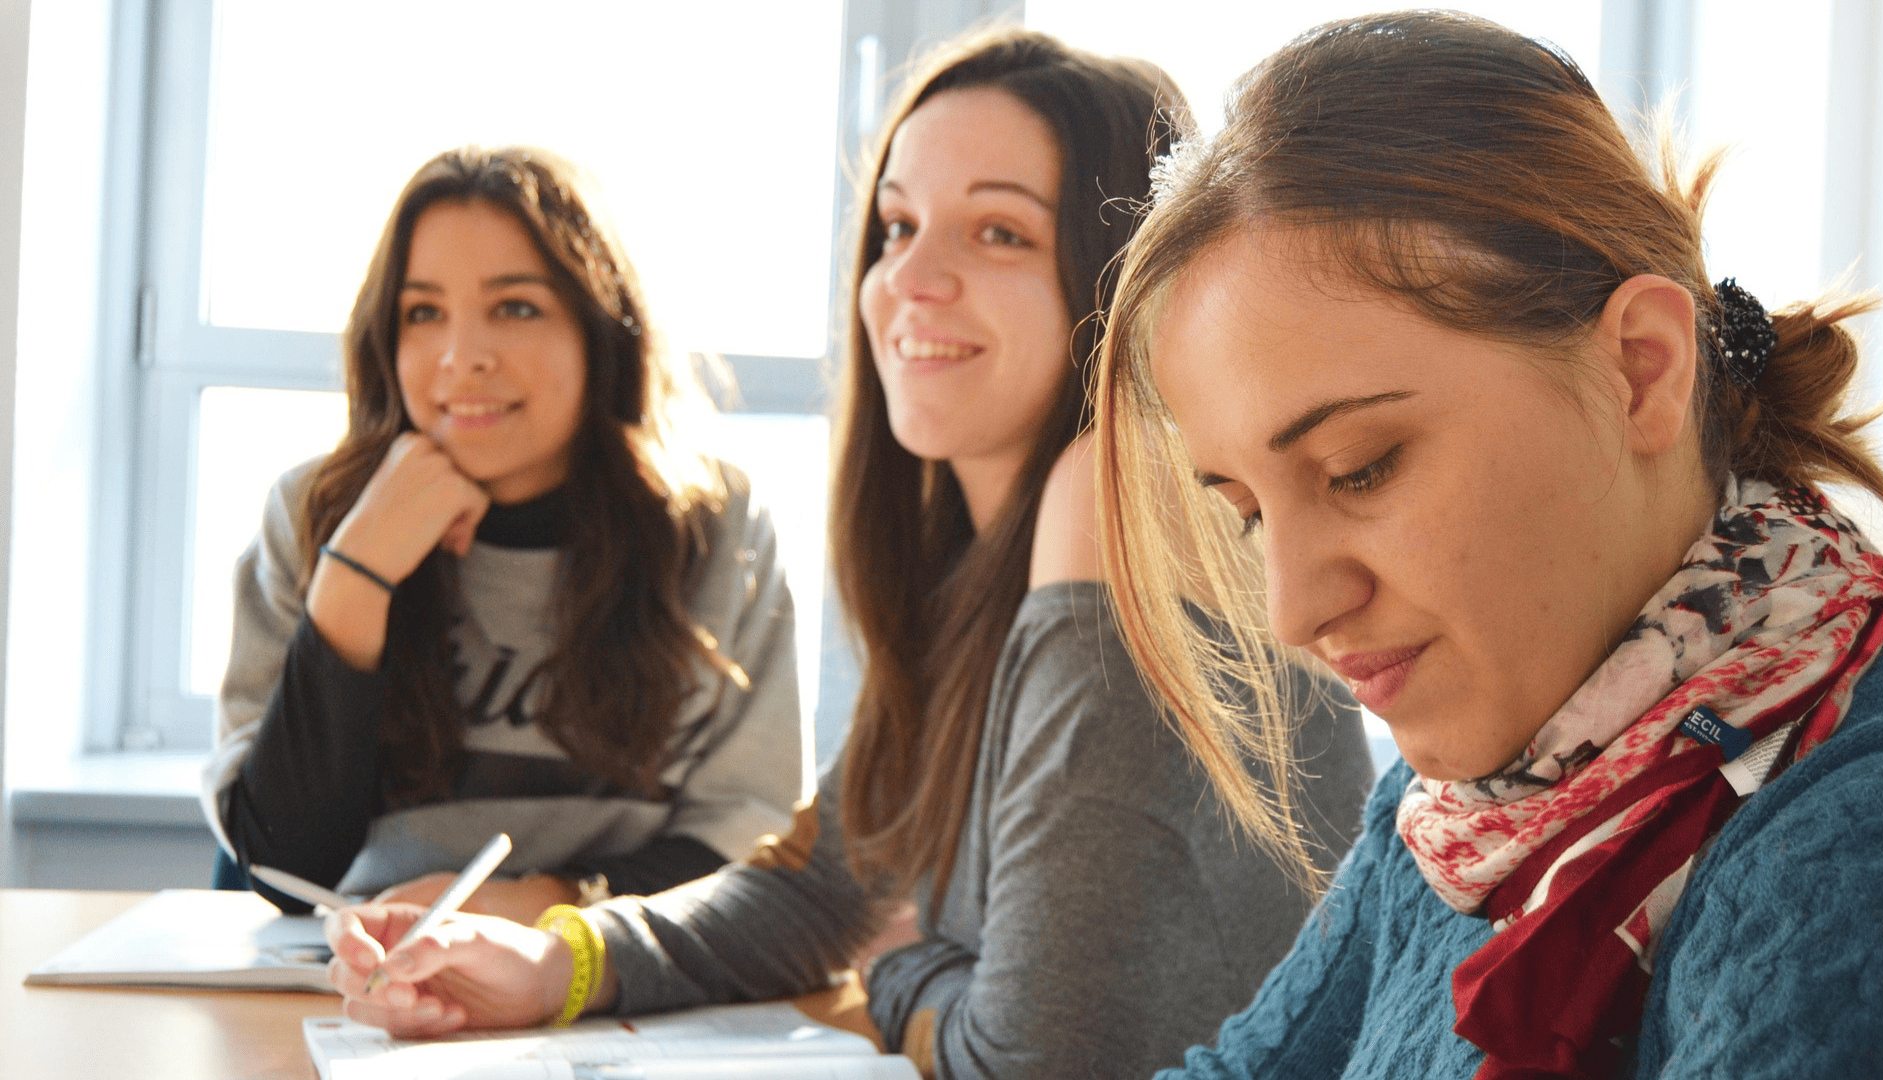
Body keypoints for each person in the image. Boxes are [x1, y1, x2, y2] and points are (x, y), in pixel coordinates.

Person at [322, 29, 1374, 1080]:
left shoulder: (1107, 494)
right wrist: (556, 962)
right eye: (898, 225)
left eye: (999, 233)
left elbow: (1030, 1059)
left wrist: (905, 970)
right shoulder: (973, 561)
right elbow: (824, 886)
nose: (910, 277)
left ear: (1115, 275)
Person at [1093, 10, 1883, 1080]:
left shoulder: (1860, 848)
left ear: (1643, 369)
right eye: (1250, 510)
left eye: (1360, 468)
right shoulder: (1477, 795)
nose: (1293, 610)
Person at [201, 147, 805, 926]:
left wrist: (540, 905)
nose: (462, 358)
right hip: (352, 976)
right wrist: (355, 575)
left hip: (618, 974)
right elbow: (284, 870)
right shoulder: (313, 512)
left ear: (601, 331)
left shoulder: (716, 527)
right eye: (423, 313)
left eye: (515, 307)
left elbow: (750, 838)